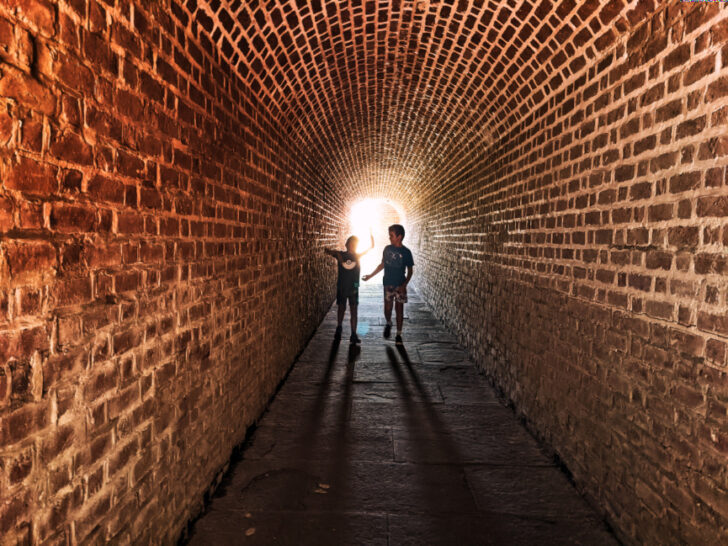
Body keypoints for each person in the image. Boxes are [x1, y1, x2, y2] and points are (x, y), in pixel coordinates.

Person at [362, 224, 414, 345]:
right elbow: (382, 265)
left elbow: (410, 271)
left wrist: (404, 285)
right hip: (388, 284)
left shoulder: (406, 252)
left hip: (400, 284)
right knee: (388, 308)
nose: (389, 237)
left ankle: (399, 334)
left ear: (399, 237)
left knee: (399, 310)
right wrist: (370, 276)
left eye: (391, 235)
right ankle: (389, 321)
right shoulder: (387, 249)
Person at [325, 232, 374, 344]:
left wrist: (371, 237)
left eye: (355, 244)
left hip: (354, 287)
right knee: (341, 308)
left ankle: (353, 334)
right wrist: (328, 250)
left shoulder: (357, 256)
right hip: (342, 286)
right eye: (351, 243)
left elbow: (371, 248)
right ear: (347, 244)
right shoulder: (340, 254)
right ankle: (339, 327)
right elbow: (329, 251)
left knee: (354, 310)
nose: (353, 245)